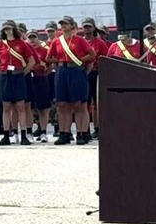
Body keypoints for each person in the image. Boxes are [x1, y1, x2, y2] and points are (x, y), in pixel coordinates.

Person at [46, 16, 94, 145]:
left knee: (79, 103)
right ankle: (64, 133)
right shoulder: (57, 41)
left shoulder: (79, 40)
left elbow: (92, 54)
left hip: (76, 70)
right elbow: (49, 57)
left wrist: (79, 60)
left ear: (73, 26)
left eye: (66, 24)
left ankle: (81, 133)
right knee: (62, 104)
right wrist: (60, 61)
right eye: (62, 24)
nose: (63, 26)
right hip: (62, 71)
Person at [0, 20, 35, 146]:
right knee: (6, 106)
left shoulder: (21, 44)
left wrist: (23, 72)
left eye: (9, 29)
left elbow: (31, 61)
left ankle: (24, 134)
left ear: (14, 29)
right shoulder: (0, 44)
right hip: (5, 76)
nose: (8, 31)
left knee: (21, 106)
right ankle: (7, 134)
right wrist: (0, 71)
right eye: (5, 29)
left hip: (18, 75)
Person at [81, 18, 109, 139]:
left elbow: (105, 58)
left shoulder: (99, 43)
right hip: (82, 73)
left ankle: (98, 128)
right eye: (85, 27)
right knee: (83, 102)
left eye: (89, 27)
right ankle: (85, 128)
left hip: (96, 73)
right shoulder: (80, 41)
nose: (87, 29)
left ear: (93, 28)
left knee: (96, 102)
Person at [26, 29, 53, 142]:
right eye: (30, 37)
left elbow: (50, 65)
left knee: (43, 107)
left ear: (37, 38)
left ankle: (43, 132)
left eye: (34, 37)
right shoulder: (25, 49)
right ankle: (29, 132)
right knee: (29, 107)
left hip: (41, 78)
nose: (32, 40)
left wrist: (44, 74)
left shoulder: (44, 49)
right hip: (28, 78)